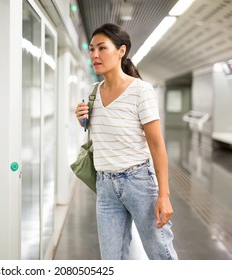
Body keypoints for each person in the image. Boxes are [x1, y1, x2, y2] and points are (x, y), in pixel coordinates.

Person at [75, 23, 178, 260]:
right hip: (105, 186)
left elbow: (156, 145)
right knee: (111, 260)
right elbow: (99, 132)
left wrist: (164, 195)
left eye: (102, 48)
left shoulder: (141, 91)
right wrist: (82, 120)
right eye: (91, 49)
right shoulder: (92, 91)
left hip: (138, 182)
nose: (94, 55)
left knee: (160, 253)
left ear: (121, 51)